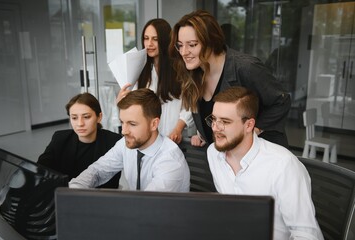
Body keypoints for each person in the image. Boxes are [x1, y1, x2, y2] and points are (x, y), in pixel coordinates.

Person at [206, 86, 324, 240]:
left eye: (225, 122)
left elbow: (307, 235)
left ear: (249, 125)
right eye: (214, 119)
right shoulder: (213, 153)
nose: (216, 128)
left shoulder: (283, 165)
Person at [169, 10, 291, 148]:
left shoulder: (246, 67)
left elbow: (282, 100)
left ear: (211, 42)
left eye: (192, 45)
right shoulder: (193, 74)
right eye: (180, 45)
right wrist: (204, 133)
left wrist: (254, 131)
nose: (184, 52)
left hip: (262, 157)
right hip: (226, 161)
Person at [69, 88, 190, 192]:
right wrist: (72, 190)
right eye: (122, 122)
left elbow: (146, 205)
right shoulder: (126, 143)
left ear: (154, 124)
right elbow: (97, 171)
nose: (124, 131)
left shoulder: (170, 161)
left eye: (132, 124)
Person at [117, 18, 193, 144]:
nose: (149, 44)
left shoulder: (180, 68)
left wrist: (178, 129)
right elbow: (134, 107)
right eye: (146, 38)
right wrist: (122, 101)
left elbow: (190, 105)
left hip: (174, 139)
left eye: (155, 39)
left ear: (165, 40)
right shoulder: (139, 69)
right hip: (147, 140)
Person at [37, 93, 122, 189]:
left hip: (101, 199)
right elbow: (39, 170)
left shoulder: (114, 141)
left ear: (99, 117)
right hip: (66, 197)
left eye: (86, 117)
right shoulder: (60, 138)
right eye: (74, 118)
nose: (80, 123)